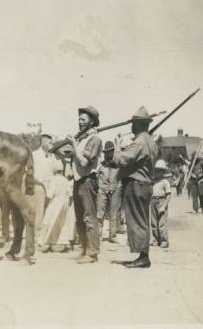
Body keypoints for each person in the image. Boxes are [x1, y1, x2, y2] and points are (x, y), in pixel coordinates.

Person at [112, 106, 159, 269]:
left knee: (137, 221)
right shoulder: (151, 141)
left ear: (139, 125)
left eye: (133, 123)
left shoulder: (139, 141)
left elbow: (121, 160)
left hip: (136, 184)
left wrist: (118, 146)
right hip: (145, 184)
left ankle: (143, 257)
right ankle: (143, 255)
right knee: (142, 220)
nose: (131, 126)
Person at [62, 106, 103, 264]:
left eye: (83, 120)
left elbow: (85, 162)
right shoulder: (81, 139)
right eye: (79, 119)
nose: (80, 122)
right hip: (78, 181)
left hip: (88, 180)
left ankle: (92, 253)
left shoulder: (95, 139)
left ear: (92, 122)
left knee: (89, 217)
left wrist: (73, 145)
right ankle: (84, 249)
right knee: (79, 218)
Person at [96, 140, 121, 244]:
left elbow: (121, 177)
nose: (109, 153)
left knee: (113, 214)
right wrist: (99, 187)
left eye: (110, 151)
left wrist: (118, 187)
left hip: (115, 190)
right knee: (100, 214)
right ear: (104, 153)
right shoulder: (100, 165)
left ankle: (112, 236)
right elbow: (96, 177)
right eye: (107, 152)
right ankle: (99, 235)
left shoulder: (118, 164)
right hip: (102, 190)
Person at [150, 159, 172, 248]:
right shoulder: (153, 181)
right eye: (156, 171)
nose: (157, 173)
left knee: (162, 223)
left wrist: (164, 206)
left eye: (160, 171)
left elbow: (169, 195)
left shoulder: (165, 182)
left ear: (163, 172)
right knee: (153, 222)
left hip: (161, 201)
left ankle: (164, 241)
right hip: (153, 201)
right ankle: (155, 240)